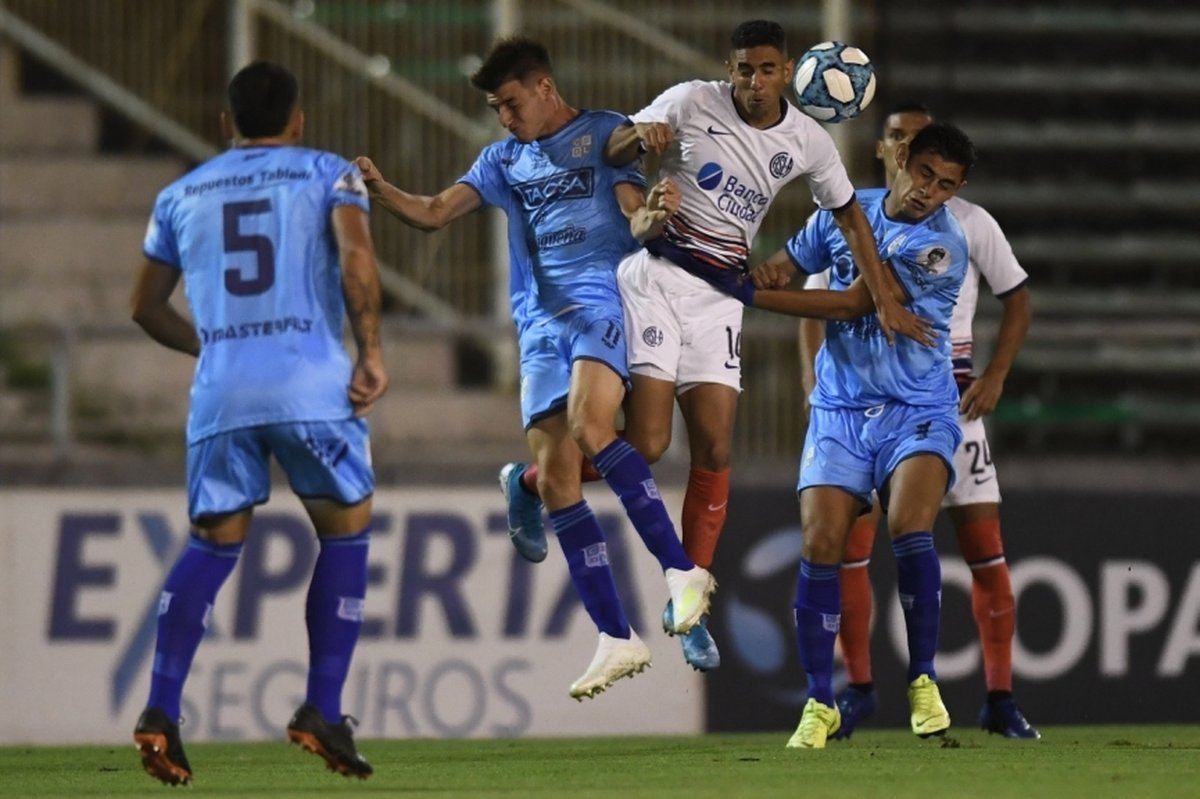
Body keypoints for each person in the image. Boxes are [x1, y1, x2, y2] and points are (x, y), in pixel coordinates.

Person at [502, 19, 931, 674]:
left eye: (764, 70)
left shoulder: (808, 141)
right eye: (741, 70)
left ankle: (691, 601)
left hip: (719, 295)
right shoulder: (688, 100)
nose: (752, 82)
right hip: (659, 277)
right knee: (647, 444)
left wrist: (886, 294)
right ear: (726, 70)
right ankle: (533, 481)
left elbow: (849, 216)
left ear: (788, 71)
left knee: (717, 445)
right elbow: (610, 148)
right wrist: (636, 134)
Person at [354, 37, 716, 700]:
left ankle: (680, 569)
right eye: (496, 108)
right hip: (540, 325)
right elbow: (434, 213)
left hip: (601, 300)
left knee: (591, 427)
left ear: (543, 87)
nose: (504, 117)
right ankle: (616, 636)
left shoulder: (605, 134)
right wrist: (380, 192)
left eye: (510, 103)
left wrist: (652, 221)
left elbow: (634, 207)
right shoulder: (501, 161)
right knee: (556, 481)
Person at [129, 61, 386, 784]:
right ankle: (323, 708)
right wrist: (370, 352)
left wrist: (208, 346)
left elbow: (143, 307)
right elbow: (358, 258)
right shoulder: (329, 172)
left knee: (213, 545)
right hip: (310, 383)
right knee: (346, 529)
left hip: (221, 395)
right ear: (297, 121)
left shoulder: (180, 193)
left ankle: (159, 710)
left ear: (225, 124)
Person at [798, 103, 1038, 740]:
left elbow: (1016, 298)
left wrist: (995, 375)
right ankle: (860, 689)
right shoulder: (849, 218)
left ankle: (998, 695)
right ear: (889, 152)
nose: (926, 177)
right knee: (850, 551)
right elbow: (816, 302)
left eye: (943, 174)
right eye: (903, 143)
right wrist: (810, 388)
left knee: (982, 551)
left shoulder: (970, 225)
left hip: (947, 398)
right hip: (859, 401)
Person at [747, 122, 978, 748]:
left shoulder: (942, 248)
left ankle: (923, 679)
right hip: (841, 409)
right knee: (821, 542)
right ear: (901, 158)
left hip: (916, 407)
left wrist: (750, 298)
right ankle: (820, 701)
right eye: (926, 175)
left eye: (947, 186)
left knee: (909, 525)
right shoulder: (845, 213)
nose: (931, 192)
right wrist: (738, 269)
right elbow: (782, 266)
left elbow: (851, 304)